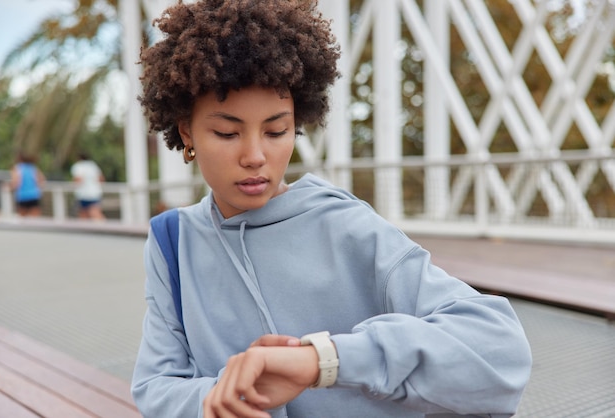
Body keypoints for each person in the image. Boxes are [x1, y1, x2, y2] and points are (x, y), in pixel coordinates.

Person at [131, 1, 532, 417]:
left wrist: (321, 360)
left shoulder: (346, 225)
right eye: (227, 132)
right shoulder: (172, 242)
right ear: (186, 131)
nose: (255, 155)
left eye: (276, 131)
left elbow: (500, 348)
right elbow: (156, 385)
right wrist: (224, 400)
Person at [70, 153, 106, 220]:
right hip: (95, 193)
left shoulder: (78, 166)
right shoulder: (93, 165)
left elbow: (78, 179)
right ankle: (104, 228)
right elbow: (101, 179)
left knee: (84, 214)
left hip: (83, 194)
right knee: (96, 213)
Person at [10, 152, 46, 217]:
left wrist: (9, 187)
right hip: (34, 195)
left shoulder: (17, 168)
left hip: (22, 196)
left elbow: (16, 183)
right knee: (35, 220)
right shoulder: (32, 168)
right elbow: (42, 179)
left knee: (23, 221)